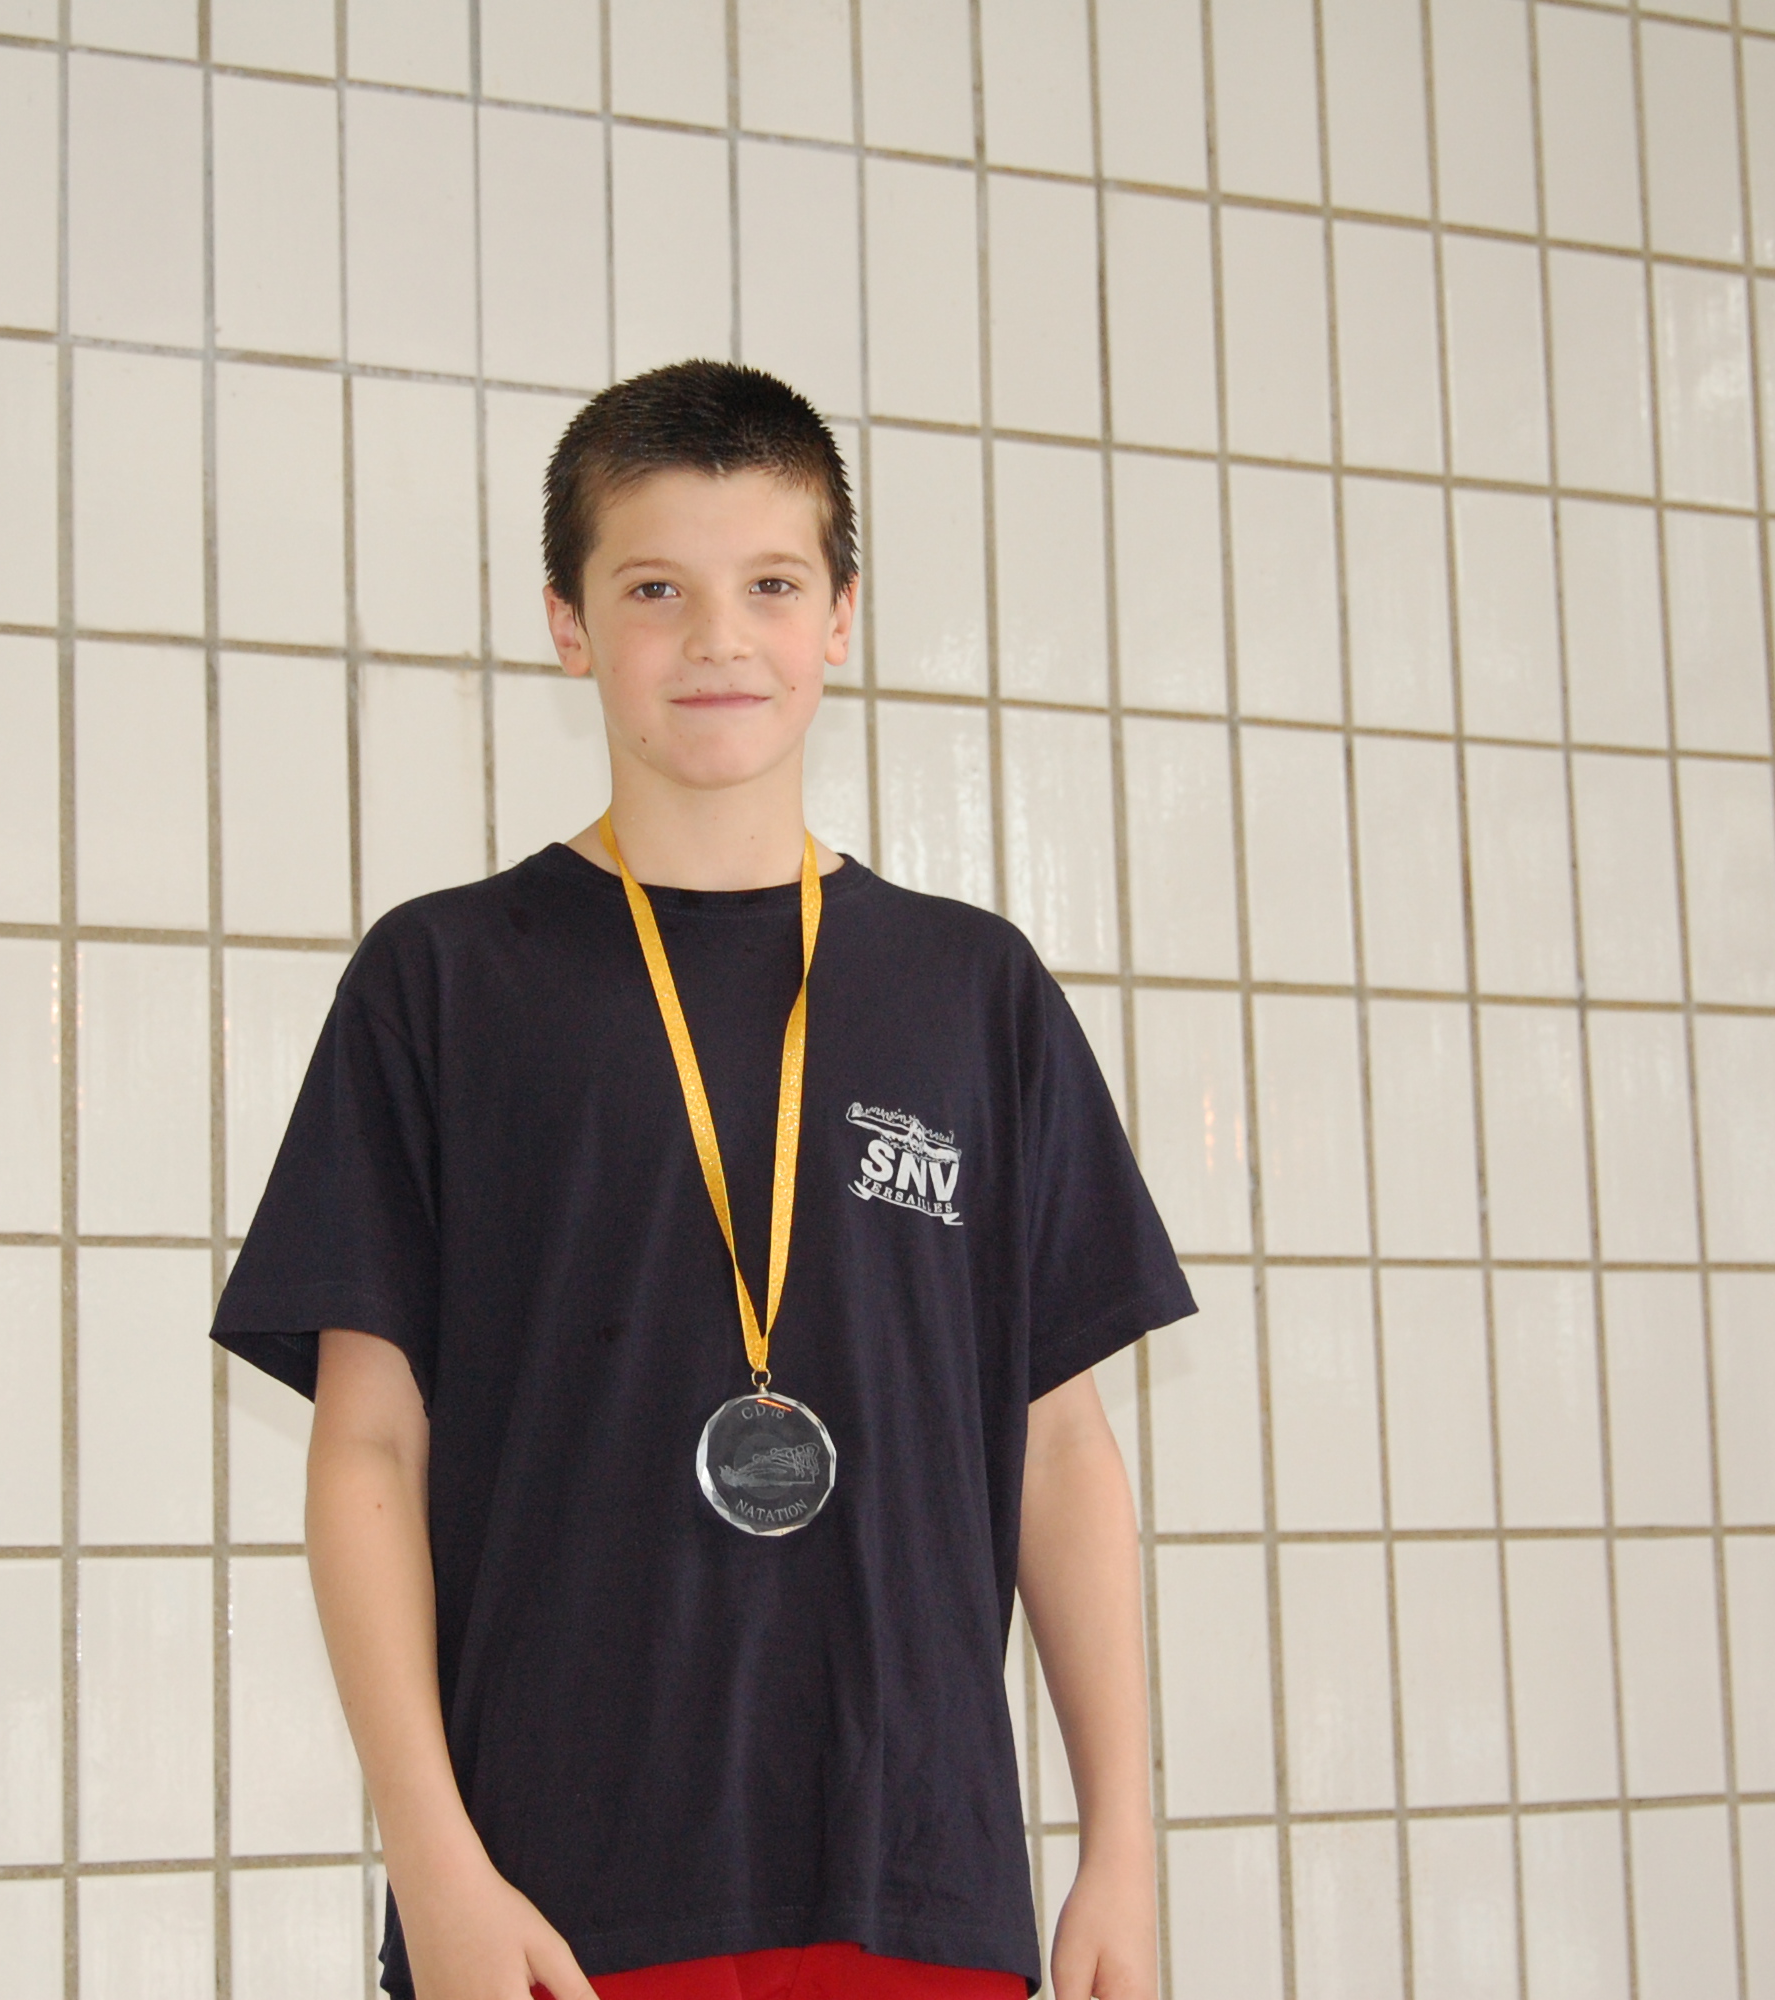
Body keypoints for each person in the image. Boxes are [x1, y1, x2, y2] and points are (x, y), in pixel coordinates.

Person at [212, 360, 1192, 2000]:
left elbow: (1061, 1449)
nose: (720, 639)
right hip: (551, 1903)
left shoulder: (975, 992)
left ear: (843, 617)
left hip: (914, 1883)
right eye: (656, 589)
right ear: (569, 623)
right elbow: (367, 1445)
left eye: (772, 586)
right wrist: (435, 1866)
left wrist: (1123, 1850)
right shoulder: (444, 980)